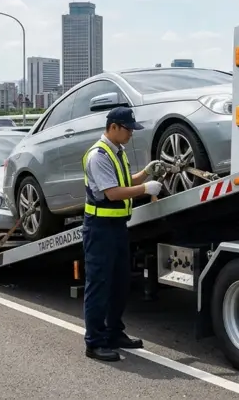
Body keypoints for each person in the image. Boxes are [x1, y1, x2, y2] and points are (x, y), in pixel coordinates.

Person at [82, 106, 172, 362]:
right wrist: (146, 187)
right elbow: (112, 193)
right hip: (99, 229)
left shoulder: (117, 152)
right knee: (99, 285)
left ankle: (114, 333)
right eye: (128, 129)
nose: (131, 133)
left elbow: (122, 182)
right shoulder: (99, 155)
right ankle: (95, 343)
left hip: (118, 227)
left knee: (119, 283)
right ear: (113, 127)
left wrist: (145, 174)